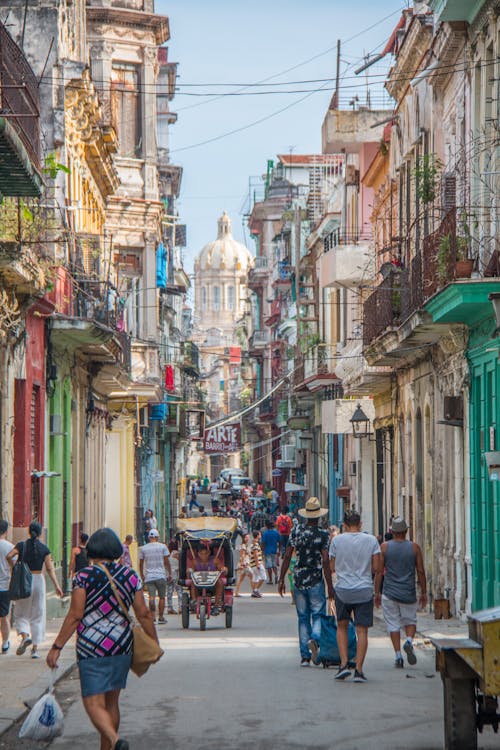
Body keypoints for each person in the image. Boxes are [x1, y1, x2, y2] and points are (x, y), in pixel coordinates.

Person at [47, 527, 157, 750]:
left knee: (92, 702)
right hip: (121, 645)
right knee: (112, 702)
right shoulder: (130, 576)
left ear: (93, 550)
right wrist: (154, 641)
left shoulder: (84, 576)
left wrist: (57, 646)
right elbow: (143, 613)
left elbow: (75, 615)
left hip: (92, 647)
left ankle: (115, 741)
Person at [278, 497, 334, 667]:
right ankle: (315, 640)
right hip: (316, 579)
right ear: (318, 517)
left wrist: (281, 579)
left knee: (303, 618)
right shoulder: (323, 534)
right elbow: (325, 561)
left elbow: (287, 555)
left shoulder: (296, 532)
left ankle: (304, 656)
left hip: (299, 580)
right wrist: (330, 586)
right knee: (318, 614)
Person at [329, 509, 381, 682]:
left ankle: (343, 665)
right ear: (360, 524)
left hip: (343, 589)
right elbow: (377, 567)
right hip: (364, 590)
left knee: (342, 626)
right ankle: (358, 670)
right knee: (362, 630)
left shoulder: (336, 540)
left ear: (344, 525)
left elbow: (332, 567)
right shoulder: (371, 540)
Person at [374, 516, 427, 669]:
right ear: (406, 531)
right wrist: (424, 592)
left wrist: (376, 593)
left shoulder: (384, 547)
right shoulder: (414, 548)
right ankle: (409, 641)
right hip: (408, 593)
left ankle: (398, 656)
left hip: (389, 593)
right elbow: (421, 571)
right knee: (410, 621)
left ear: (392, 531)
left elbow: (379, 572)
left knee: (393, 624)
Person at [6, 521, 63, 658]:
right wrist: (57, 586)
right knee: (38, 614)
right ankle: (35, 650)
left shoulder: (21, 546)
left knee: (21, 613)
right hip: (38, 581)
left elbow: (8, 556)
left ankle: (25, 636)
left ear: (28, 532)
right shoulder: (44, 548)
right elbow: (49, 569)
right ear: (41, 533)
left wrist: (14, 566)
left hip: (24, 580)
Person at [138, 530, 172, 624]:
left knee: (151, 597)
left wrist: (142, 574)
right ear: (157, 537)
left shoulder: (143, 548)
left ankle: (153, 617)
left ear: (149, 537)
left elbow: (141, 563)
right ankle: (161, 617)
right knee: (161, 597)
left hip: (149, 576)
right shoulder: (163, 547)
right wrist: (169, 573)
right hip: (161, 575)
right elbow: (166, 562)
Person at [188, 546, 227, 610]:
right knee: (193, 583)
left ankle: (217, 604)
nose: (204, 556)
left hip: (212, 584)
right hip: (199, 584)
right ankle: (194, 601)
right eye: (201, 554)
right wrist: (189, 571)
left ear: (209, 553)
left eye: (206, 553)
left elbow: (221, 568)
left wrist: (224, 569)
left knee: (220, 582)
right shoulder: (194, 561)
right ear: (198, 554)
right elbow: (190, 571)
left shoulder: (215, 560)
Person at [0, 519, 14, 654]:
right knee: (4, 616)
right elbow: (15, 566)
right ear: (5, 531)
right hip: (4, 586)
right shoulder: (9, 547)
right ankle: (4, 643)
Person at [166, 539, 182, 614]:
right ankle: (181, 607)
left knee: (169, 592)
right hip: (176, 575)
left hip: (168, 575)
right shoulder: (178, 554)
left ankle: (169, 607)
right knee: (179, 591)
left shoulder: (167, 555)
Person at [249, 530, 266, 598]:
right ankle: (255, 590)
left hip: (253, 564)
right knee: (263, 577)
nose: (260, 535)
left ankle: (254, 591)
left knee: (255, 578)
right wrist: (258, 564)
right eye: (259, 534)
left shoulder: (253, 543)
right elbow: (256, 554)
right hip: (257, 564)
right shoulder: (255, 544)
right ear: (257, 535)